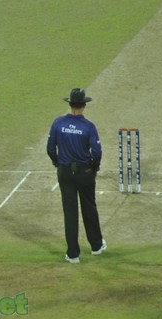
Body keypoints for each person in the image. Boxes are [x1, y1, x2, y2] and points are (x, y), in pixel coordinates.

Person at [47, 88, 107, 263]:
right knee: (89, 207)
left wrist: (57, 162)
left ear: (70, 104)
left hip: (65, 171)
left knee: (70, 212)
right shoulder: (88, 126)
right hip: (84, 172)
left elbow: (50, 149)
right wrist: (93, 168)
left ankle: (73, 254)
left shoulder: (58, 123)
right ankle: (96, 246)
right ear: (84, 105)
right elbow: (97, 152)